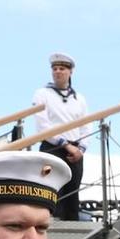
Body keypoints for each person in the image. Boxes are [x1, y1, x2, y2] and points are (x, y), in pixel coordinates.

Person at [32, 52, 90, 221]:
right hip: (53, 147)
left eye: (62, 69)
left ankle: (73, 230)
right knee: (53, 191)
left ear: (70, 72)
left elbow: (86, 126)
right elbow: (43, 124)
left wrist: (81, 149)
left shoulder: (79, 98)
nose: (58, 71)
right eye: (55, 68)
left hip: (75, 151)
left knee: (73, 193)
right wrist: (66, 145)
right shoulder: (42, 94)